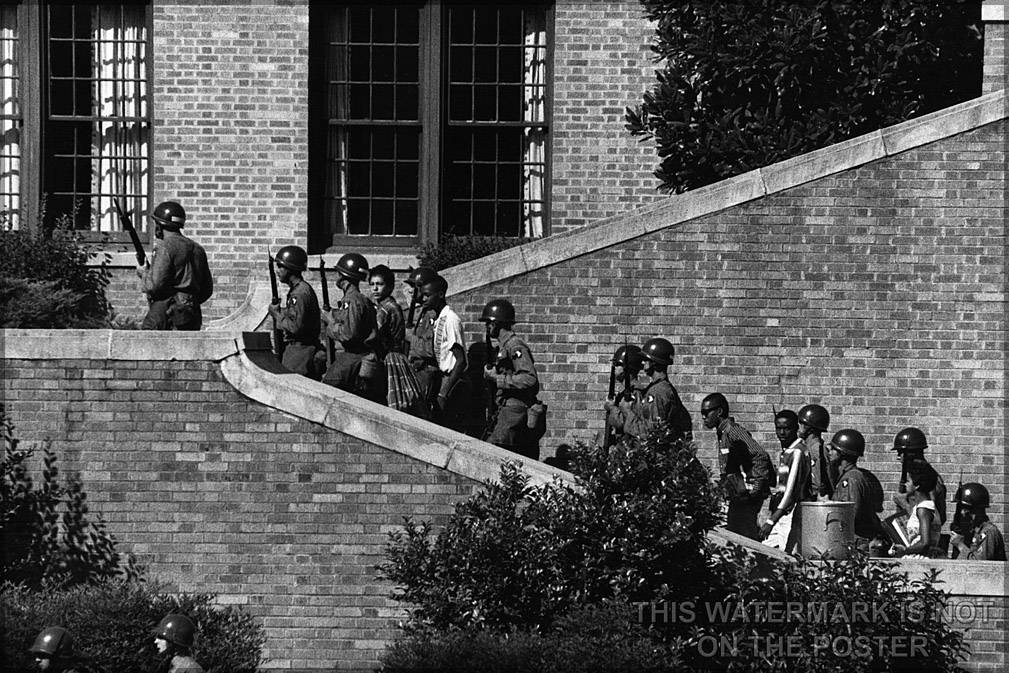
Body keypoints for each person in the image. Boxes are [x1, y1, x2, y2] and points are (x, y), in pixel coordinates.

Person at [701, 392, 772, 540]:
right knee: (736, 536)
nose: (703, 417)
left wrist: (756, 487)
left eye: (706, 412)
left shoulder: (734, 431)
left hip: (746, 496)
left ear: (719, 412)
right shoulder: (723, 433)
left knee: (744, 538)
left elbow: (760, 455)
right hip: (738, 495)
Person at [138, 200, 213, 330]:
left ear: (159, 225)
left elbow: (154, 286)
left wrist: (144, 273)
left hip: (165, 311)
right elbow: (207, 290)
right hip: (192, 313)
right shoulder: (198, 249)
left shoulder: (165, 247)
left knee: (147, 344)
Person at [481, 298, 542, 460]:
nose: (487, 327)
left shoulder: (515, 346)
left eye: (488, 323)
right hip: (506, 408)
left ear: (496, 323)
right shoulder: (504, 347)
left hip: (516, 410)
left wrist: (497, 378)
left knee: (493, 451)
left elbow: (529, 379)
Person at [321, 253, 384, 403]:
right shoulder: (359, 299)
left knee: (327, 388)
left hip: (353, 356)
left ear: (344, 276)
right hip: (356, 356)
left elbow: (349, 334)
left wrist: (330, 322)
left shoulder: (352, 300)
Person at [607, 338, 692, 443]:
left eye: (646, 359)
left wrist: (627, 412)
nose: (642, 362)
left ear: (654, 363)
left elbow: (649, 434)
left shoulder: (658, 392)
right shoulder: (660, 388)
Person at [370, 265, 426, 417]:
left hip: (391, 358)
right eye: (372, 284)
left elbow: (373, 333)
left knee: (395, 403)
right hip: (391, 356)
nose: (375, 289)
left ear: (389, 287)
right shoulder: (386, 305)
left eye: (379, 284)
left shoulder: (387, 308)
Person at [412, 275, 467, 429]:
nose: (423, 299)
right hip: (442, 379)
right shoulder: (438, 318)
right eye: (422, 295)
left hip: (452, 382)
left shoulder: (450, 319)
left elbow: (461, 361)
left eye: (428, 295)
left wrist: (444, 392)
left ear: (441, 294)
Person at [266, 245, 321, 378]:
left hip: (300, 353)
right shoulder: (299, 290)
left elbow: (295, 327)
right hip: (298, 350)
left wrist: (277, 314)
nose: (277, 271)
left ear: (290, 269)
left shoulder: (300, 293)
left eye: (280, 266)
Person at [828, 429, 887, 551]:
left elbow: (850, 514)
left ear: (842, 454)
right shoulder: (855, 476)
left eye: (834, 449)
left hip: (855, 543)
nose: (830, 452)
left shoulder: (850, 479)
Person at [759, 417, 811, 553]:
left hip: (790, 513)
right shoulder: (788, 450)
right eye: (778, 428)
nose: (782, 433)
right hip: (781, 512)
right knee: (764, 550)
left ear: (796, 429)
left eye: (786, 428)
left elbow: (791, 491)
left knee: (787, 555)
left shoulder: (798, 451)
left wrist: (771, 521)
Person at [891, 427, 947, 525]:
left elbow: (933, 519)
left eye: (900, 453)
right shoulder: (911, 475)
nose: (898, 458)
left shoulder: (928, 479)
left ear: (910, 454)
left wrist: (903, 504)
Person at [889, 461, 943, 558]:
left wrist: (905, 550)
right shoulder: (926, 507)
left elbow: (925, 543)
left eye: (909, 481)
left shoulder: (923, 509)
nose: (906, 484)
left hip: (921, 561)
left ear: (917, 485)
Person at [950, 482, 1007, 561]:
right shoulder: (973, 532)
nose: (962, 513)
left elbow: (979, 567)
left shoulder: (989, 532)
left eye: (966, 508)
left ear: (978, 510)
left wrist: (960, 545)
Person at [602, 344, 644, 446]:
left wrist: (611, 408)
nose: (614, 368)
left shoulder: (636, 392)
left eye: (618, 364)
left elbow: (623, 423)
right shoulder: (624, 392)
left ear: (627, 367)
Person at [796, 404, 831, 499]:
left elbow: (817, 484)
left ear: (810, 427)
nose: (798, 426)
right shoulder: (808, 446)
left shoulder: (816, 448)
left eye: (801, 423)